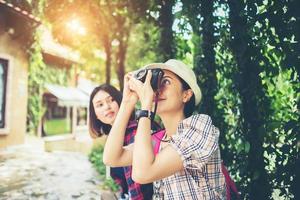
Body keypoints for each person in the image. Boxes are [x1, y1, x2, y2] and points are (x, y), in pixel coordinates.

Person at [104, 59, 226, 199]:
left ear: (186, 94)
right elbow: (111, 158)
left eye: (166, 82)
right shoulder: (158, 140)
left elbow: (142, 174)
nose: (157, 90)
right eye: (156, 84)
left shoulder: (200, 127)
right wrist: (127, 102)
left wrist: (146, 107)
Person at [89, 84, 157, 199]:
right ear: (95, 115)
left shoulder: (137, 130)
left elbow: (139, 187)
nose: (107, 107)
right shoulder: (114, 137)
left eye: (111, 100)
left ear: (121, 101)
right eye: (100, 105)